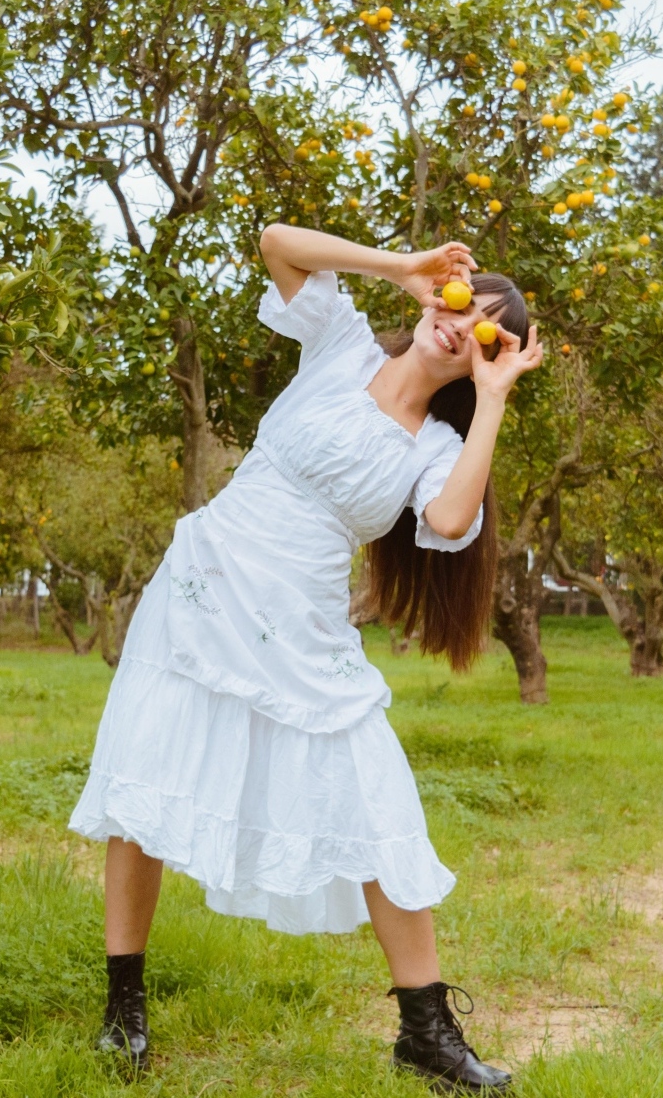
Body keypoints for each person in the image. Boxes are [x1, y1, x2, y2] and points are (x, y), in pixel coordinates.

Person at [70, 224, 542, 1093]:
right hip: (206, 589)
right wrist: (401, 266)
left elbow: (446, 523)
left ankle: (426, 1033)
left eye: (489, 328)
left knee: (377, 801)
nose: (465, 321)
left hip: (304, 627)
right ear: (439, 297)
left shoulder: (437, 446)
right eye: (464, 301)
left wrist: (496, 396)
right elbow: (275, 241)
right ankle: (122, 1015)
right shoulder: (340, 343)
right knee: (147, 788)